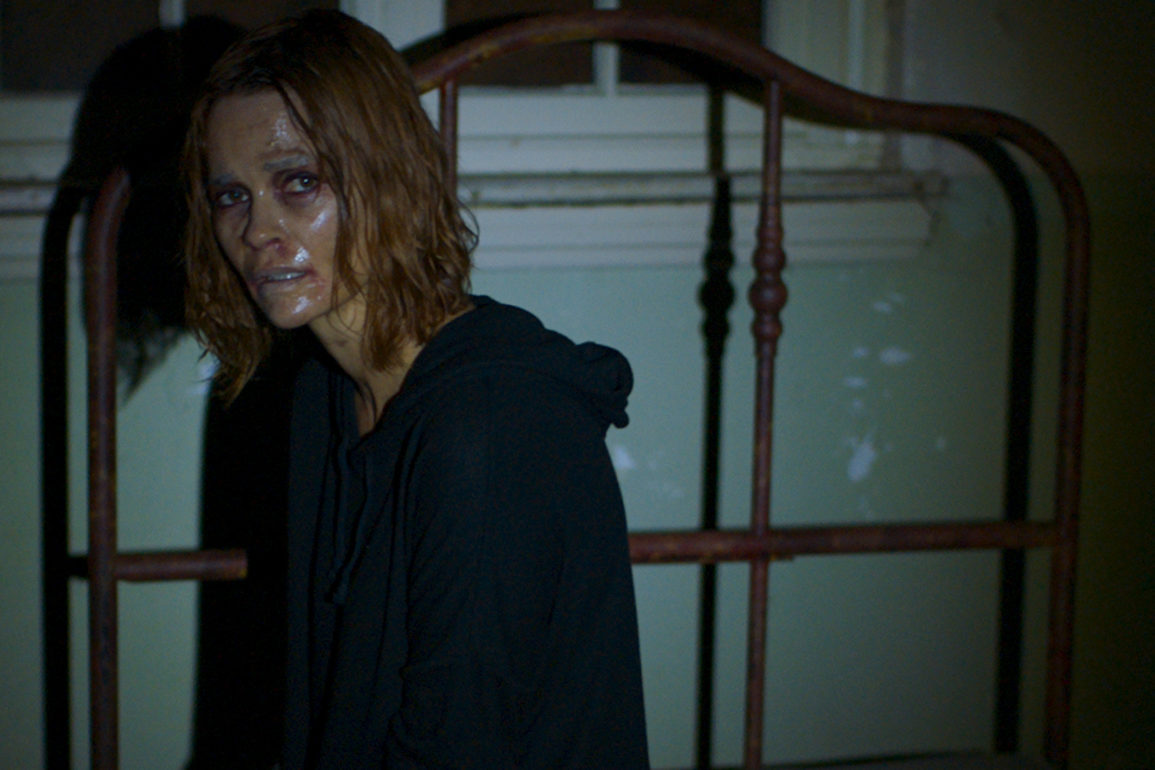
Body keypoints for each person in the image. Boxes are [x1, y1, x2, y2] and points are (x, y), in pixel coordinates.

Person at [182, 9, 649, 769]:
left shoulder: (491, 427)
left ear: (387, 175)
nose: (257, 230)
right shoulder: (323, 394)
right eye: (231, 196)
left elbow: (456, 747)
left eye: (299, 182)